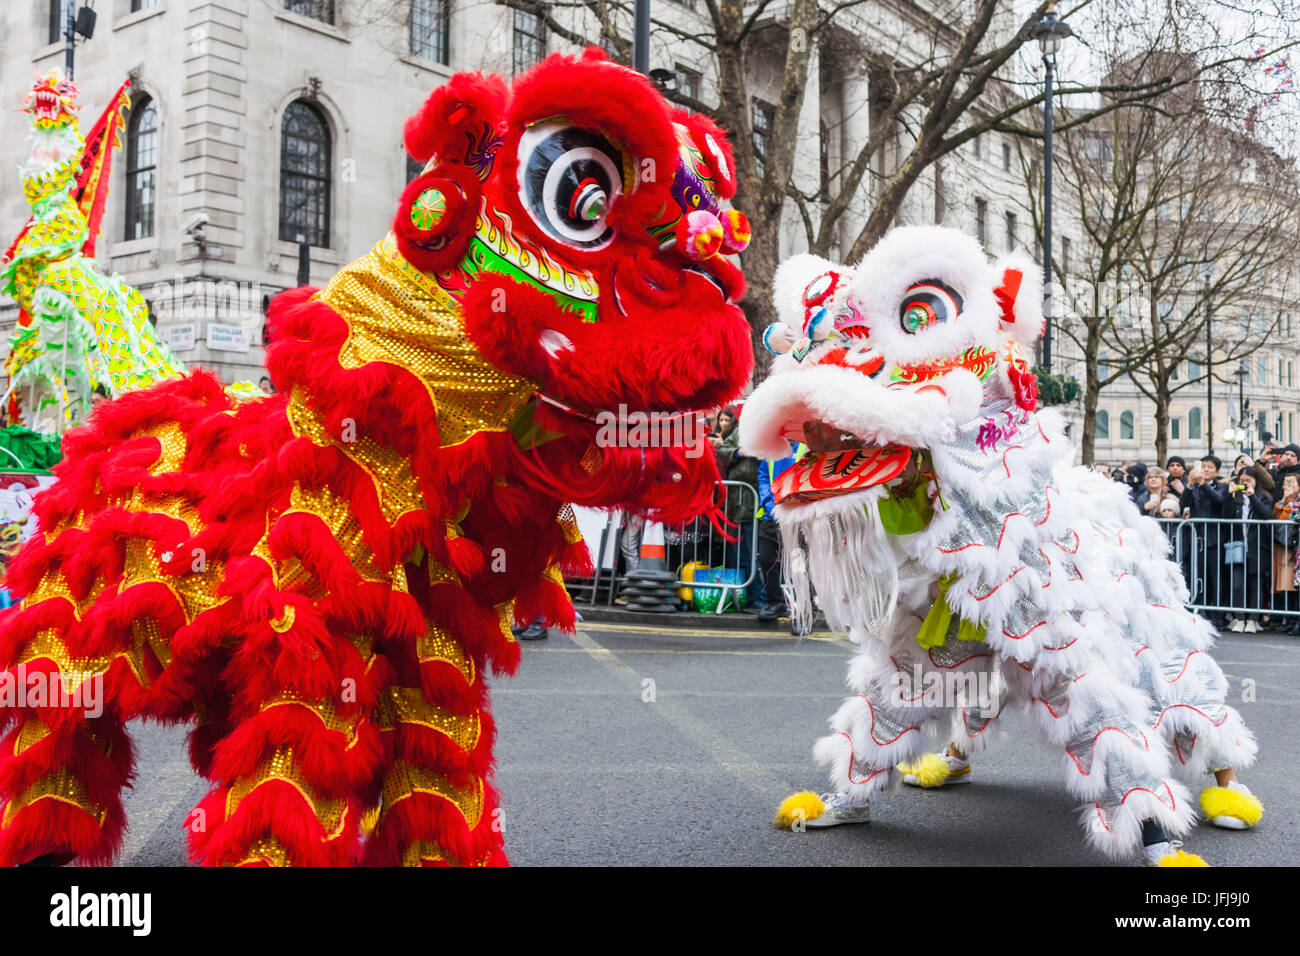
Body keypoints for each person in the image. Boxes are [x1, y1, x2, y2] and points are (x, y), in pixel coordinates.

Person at [711, 406, 761, 609]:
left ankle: (755, 598)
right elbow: (722, 451)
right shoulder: (740, 432)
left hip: (754, 501)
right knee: (736, 554)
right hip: (735, 501)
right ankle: (737, 597)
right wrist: (739, 453)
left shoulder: (766, 432)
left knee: (752, 554)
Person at [755, 443, 806, 622]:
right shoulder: (771, 445)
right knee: (766, 558)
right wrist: (768, 503)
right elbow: (762, 475)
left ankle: (804, 610)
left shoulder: (805, 447)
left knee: (798, 564)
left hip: (798, 516)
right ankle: (775, 603)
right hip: (772, 516)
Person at [1181, 454, 1229, 629]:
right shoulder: (1194, 487)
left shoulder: (1221, 486)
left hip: (1215, 539)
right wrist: (1189, 486)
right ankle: (1201, 610)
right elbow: (1183, 504)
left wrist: (1204, 484)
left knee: (1217, 578)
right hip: (1197, 538)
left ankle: (1218, 615)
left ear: (1217, 471)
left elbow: (1219, 501)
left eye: (1210, 467)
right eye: (1203, 466)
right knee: (1199, 577)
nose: (1206, 470)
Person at [1222, 467, 1273, 632]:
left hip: (1257, 546)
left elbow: (1266, 514)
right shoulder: (1234, 496)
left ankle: (1252, 619)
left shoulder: (1263, 496)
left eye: (1248, 481)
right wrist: (1230, 495)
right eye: (1242, 481)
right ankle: (1239, 618)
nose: (1244, 484)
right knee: (1237, 584)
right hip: (1237, 545)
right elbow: (1225, 515)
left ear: (1256, 481)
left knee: (1255, 584)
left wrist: (1252, 497)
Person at [1272, 473, 1300, 634]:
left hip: (1296, 547)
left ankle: (1295, 620)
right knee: (1292, 585)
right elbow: (1275, 517)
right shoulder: (1282, 502)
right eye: (1285, 483)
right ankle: (1291, 620)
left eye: (1292, 483)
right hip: (1288, 547)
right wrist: (1284, 501)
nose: (1288, 486)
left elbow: (1294, 516)